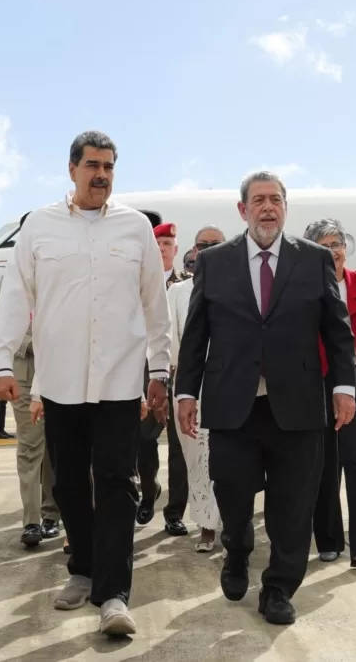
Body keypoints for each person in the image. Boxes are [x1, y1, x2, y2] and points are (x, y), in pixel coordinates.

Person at [0, 130, 171, 636]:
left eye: (109, 166)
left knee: (117, 485)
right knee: (67, 484)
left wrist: (159, 370)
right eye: (92, 165)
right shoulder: (40, 227)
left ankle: (113, 594)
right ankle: (84, 570)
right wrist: (1, 362)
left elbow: (156, 304)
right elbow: (13, 295)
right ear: (72, 169)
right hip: (60, 381)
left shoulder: (134, 228)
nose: (102, 175)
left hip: (118, 381)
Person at [176, 170, 356, 626]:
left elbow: (337, 329)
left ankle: (278, 587)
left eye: (275, 199)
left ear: (285, 208)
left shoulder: (314, 259)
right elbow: (196, 333)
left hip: (297, 403)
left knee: (293, 503)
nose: (268, 207)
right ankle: (237, 550)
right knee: (232, 493)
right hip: (233, 403)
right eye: (258, 200)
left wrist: (343, 386)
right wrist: (185, 391)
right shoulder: (215, 262)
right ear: (243, 210)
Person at [305, 219, 356, 568]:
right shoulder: (304, 287)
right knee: (323, 463)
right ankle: (329, 540)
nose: (333, 251)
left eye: (337, 243)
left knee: (355, 459)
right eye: (324, 245)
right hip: (317, 380)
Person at [167, 225, 226, 552]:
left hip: (232, 383)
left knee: (230, 457)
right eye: (201, 246)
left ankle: (232, 522)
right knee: (197, 457)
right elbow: (172, 342)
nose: (206, 251)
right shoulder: (178, 292)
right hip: (192, 384)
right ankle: (205, 525)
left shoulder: (240, 287)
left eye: (214, 245)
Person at [136, 221, 190, 534]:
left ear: (175, 250)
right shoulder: (139, 285)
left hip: (180, 373)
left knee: (180, 445)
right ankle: (148, 492)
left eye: (167, 245)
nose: (162, 250)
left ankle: (174, 512)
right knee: (143, 438)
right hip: (148, 373)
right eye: (157, 245)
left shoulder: (188, 285)